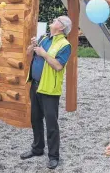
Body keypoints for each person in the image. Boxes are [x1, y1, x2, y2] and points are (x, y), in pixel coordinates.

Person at [20, 16, 72, 169]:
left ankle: (54, 156)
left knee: (51, 124)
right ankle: (37, 149)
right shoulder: (44, 38)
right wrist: (33, 46)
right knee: (35, 119)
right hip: (35, 85)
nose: (53, 20)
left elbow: (58, 66)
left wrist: (43, 53)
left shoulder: (65, 45)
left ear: (61, 27)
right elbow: (30, 53)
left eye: (57, 19)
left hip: (49, 90)